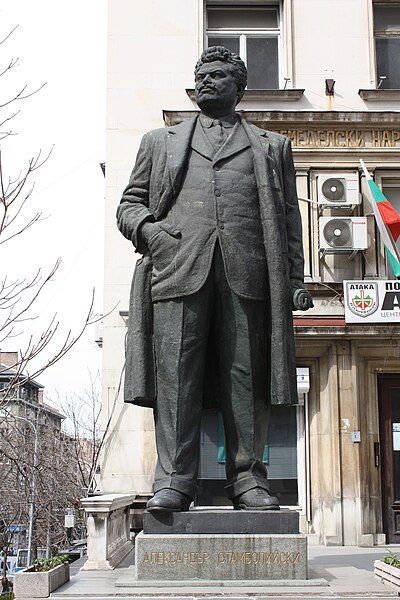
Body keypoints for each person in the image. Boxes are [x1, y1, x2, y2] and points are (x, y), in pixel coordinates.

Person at [117, 46, 313, 513]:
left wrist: (293, 278)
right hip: (177, 273)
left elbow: (288, 220)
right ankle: (175, 481)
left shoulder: (271, 146)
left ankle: (248, 480)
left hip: (248, 278)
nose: (207, 80)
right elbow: (129, 206)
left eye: (219, 74)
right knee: (176, 378)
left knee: (245, 379)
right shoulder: (158, 142)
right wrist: (154, 235)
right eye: (201, 74)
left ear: (239, 88)